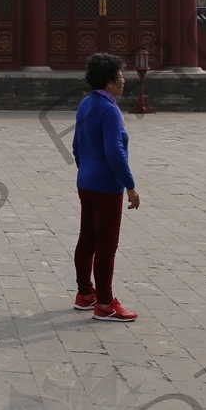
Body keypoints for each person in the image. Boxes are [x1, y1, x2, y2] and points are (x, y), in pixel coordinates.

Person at [72, 52, 140, 323]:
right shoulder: (110, 110)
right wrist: (130, 185)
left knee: (87, 238)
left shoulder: (86, 104)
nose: (124, 81)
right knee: (106, 245)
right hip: (105, 186)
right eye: (121, 77)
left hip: (86, 181)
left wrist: (86, 169)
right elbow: (115, 152)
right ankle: (104, 304)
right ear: (110, 83)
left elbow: (77, 146)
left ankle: (84, 294)